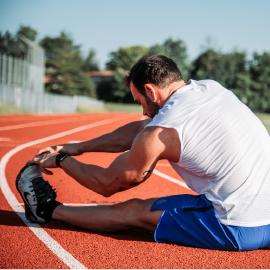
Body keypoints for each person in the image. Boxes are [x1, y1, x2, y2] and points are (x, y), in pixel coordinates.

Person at [16, 55, 270, 251]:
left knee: (133, 211)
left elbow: (107, 183)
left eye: (139, 102)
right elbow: (141, 128)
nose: (143, 112)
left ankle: (46, 210)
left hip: (235, 226)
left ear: (150, 90)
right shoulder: (209, 89)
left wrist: (62, 159)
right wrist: (78, 147)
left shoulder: (162, 130)